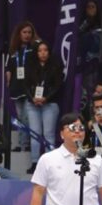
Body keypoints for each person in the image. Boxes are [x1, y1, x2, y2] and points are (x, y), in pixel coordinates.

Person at [24, 40, 62, 174]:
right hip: (33, 103)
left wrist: (46, 98)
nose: (43, 53)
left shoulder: (55, 66)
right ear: (36, 53)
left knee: (48, 134)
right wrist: (32, 98)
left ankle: (49, 164)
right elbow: (26, 85)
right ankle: (35, 163)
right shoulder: (30, 66)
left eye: (45, 50)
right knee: (35, 134)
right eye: (40, 50)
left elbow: (58, 86)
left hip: (50, 103)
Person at [6, 21, 39, 152]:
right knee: (20, 117)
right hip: (16, 87)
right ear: (19, 34)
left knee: (27, 117)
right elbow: (8, 67)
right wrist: (8, 78)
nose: (27, 35)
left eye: (29, 32)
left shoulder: (35, 48)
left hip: (29, 88)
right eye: (24, 32)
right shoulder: (13, 49)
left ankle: (28, 143)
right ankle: (21, 143)